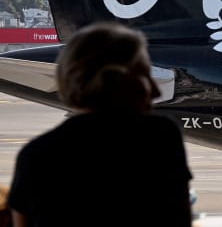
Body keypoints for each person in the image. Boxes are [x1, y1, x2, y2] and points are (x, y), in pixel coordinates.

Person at [8, 22, 193, 227]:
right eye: (143, 76)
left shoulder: (35, 156)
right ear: (114, 80)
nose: (156, 92)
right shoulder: (159, 136)